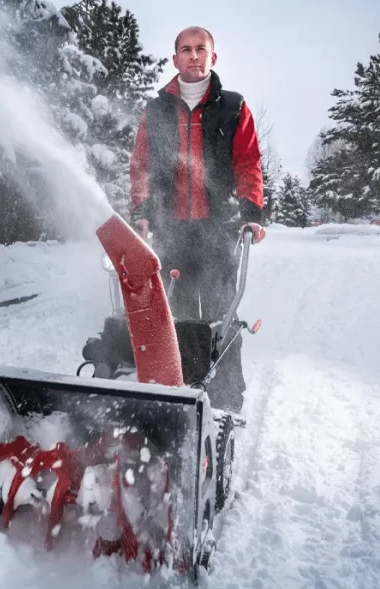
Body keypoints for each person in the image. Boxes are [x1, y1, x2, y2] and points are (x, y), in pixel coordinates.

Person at [129, 26, 265, 412]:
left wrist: (251, 214)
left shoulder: (233, 106)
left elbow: (247, 163)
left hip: (218, 230)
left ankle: (227, 401)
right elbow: (141, 166)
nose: (193, 55)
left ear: (212, 57)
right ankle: (174, 392)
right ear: (175, 59)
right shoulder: (156, 110)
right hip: (170, 229)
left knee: (222, 313)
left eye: (200, 49)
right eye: (185, 50)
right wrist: (142, 213)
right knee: (172, 312)